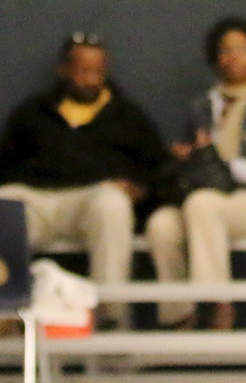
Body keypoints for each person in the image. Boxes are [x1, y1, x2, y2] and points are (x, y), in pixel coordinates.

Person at [0, 32, 166, 328]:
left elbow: (157, 168)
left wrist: (138, 189)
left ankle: (110, 321)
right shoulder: (33, 112)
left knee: (112, 204)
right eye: (82, 71)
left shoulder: (126, 115)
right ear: (63, 70)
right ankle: (7, 318)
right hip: (39, 201)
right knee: (6, 203)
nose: (91, 79)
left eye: (97, 71)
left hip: (93, 200)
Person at [146, 15, 246, 330]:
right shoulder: (201, 106)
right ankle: (178, 313)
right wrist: (193, 157)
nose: (232, 57)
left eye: (241, 49)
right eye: (225, 50)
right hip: (208, 197)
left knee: (202, 204)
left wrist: (229, 167)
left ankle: (217, 302)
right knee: (161, 224)